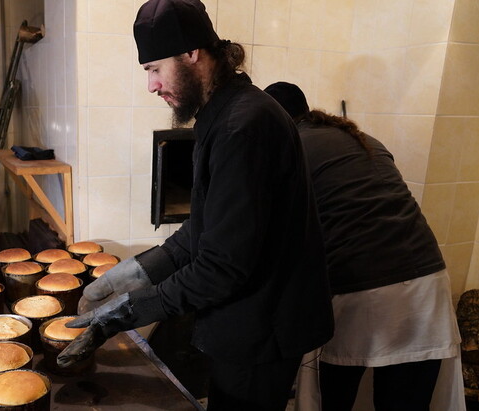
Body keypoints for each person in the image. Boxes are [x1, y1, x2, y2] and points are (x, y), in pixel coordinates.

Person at [56, 1, 335, 409]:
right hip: (248, 321)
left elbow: (222, 265)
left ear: (192, 53)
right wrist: (134, 273)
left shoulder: (244, 126)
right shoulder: (219, 114)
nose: (151, 85)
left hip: (263, 327)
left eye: (154, 68)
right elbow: (201, 231)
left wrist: (126, 312)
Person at [264, 82, 464, 411]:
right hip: (428, 282)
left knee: (336, 399)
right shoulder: (365, 140)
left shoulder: (288, 148)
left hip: (363, 289)